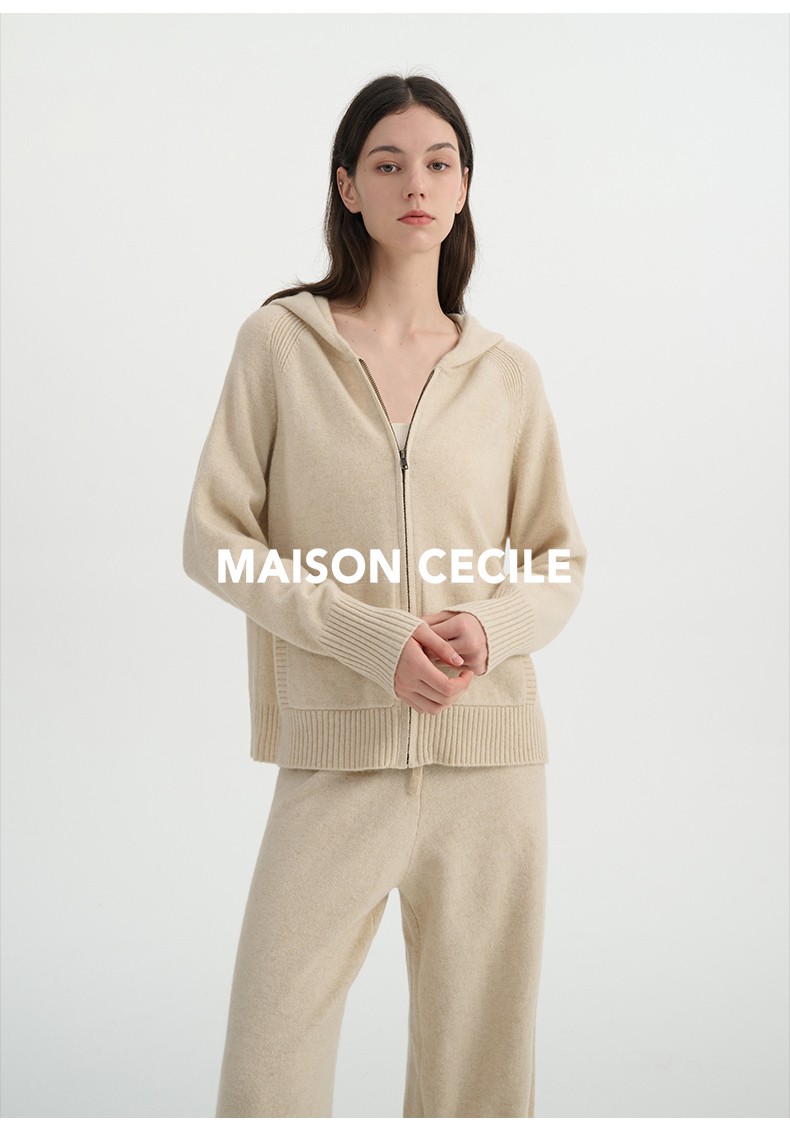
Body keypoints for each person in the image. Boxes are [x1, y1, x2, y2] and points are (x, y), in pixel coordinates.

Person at [182, 72, 586, 1119]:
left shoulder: (508, 375)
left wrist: (488, 626)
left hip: (490, 766)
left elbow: (558, 560)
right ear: (347, 187)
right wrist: (366, 636)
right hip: (338, 756)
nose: (417, 184)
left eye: (439, 163)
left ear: (464, 188)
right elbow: (216, 543)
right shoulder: (281, 344)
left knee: (478, 1075)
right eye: (388, 163)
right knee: (269, 1061)